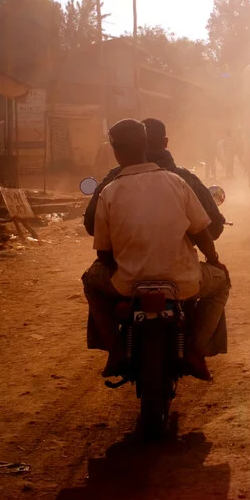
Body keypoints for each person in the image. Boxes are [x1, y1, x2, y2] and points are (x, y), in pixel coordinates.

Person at [82, 119, 230, 381]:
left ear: (116, 152)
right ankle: (195, 351)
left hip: (127, 283)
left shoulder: (110, 189)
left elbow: (102, 251)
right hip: (183, 282)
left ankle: (116, 349)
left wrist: (118, 261)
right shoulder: (178, 181)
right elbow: (201, 232)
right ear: (148, 144)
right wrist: (214, 260)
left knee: (91, 281)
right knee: (220, 283)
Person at [85, 118, 227, 240]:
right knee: (217, 272)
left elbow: (91, 226)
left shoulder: (112, 181)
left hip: (124, 268)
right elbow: (213, 230)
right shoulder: (183, 180)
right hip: (179, 268)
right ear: (165, 142)